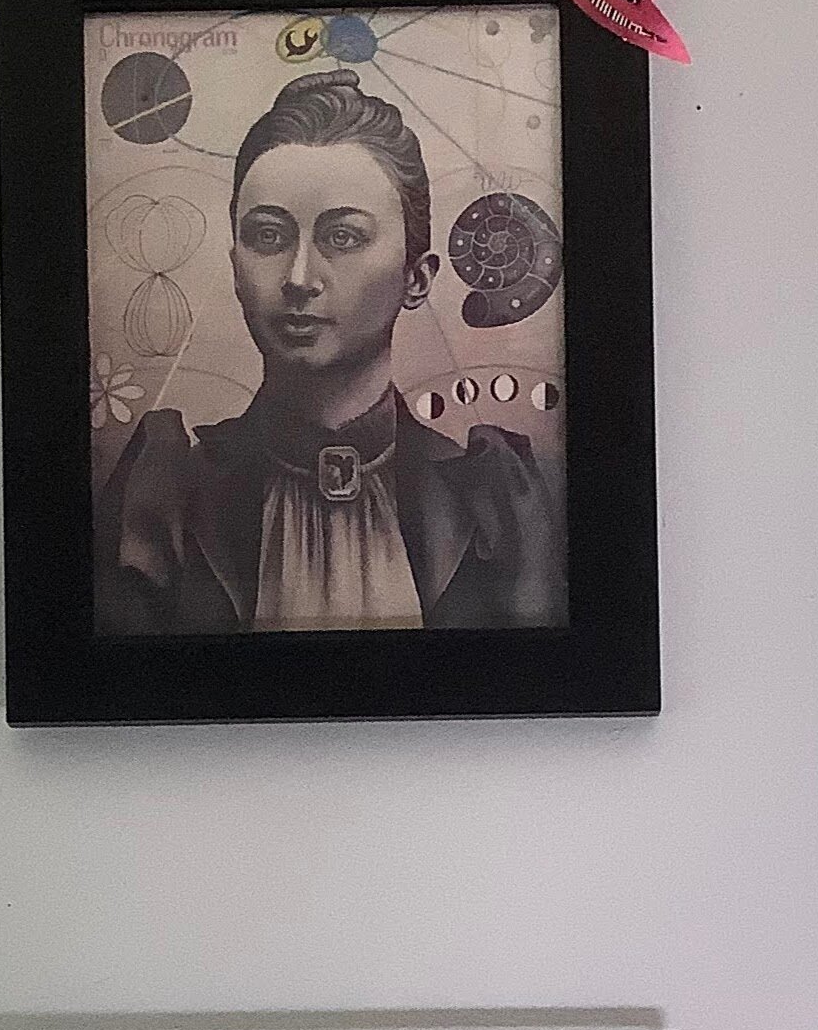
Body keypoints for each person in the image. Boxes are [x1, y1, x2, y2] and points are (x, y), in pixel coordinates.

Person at [94, 66, 563, 635]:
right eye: (268, 236)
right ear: (235, 268)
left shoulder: (495, 499)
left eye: (342, 237)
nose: (298, 276)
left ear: (417, 277)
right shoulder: (165, 490)